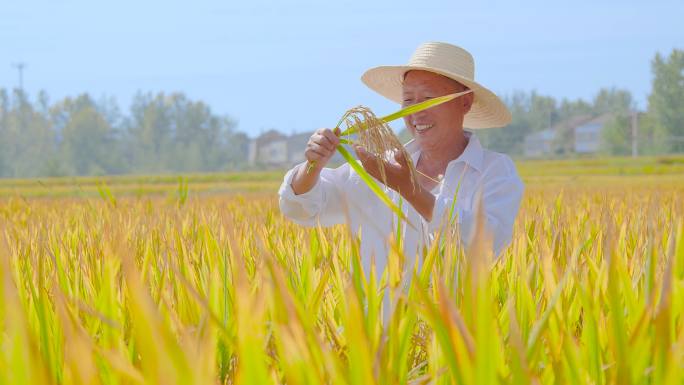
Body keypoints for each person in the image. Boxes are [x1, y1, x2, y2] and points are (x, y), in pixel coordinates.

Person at [278, 42, 524, 278]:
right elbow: (302, 209)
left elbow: (487, 244)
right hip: (379, 321)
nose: (416, 111)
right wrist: (313, 166)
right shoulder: (377, 168)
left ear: (465, 102)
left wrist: (410, 190)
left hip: (455, 320)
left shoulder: (494, 171)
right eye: (408, 100)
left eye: (429, 98)